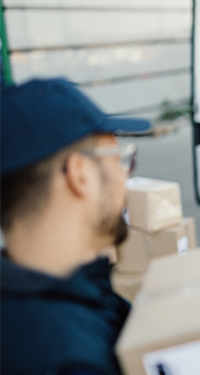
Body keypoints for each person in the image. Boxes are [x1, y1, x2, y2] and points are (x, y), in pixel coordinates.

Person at [0, 78, 150, 375]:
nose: (125, 180)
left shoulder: (34, 311)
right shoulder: (72, 361)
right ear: (80, 174)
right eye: (120, 160)